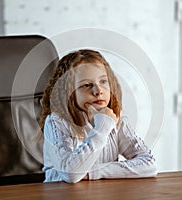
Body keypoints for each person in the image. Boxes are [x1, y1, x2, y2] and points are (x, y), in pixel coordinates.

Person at [39, 49, 157, 183]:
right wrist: (103, 126)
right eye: (86, 85)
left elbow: (149, 164)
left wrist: (93, 172)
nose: (98, 91)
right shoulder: (56, 122)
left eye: (103, 82)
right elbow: (71, 174)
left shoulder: (116, 119)